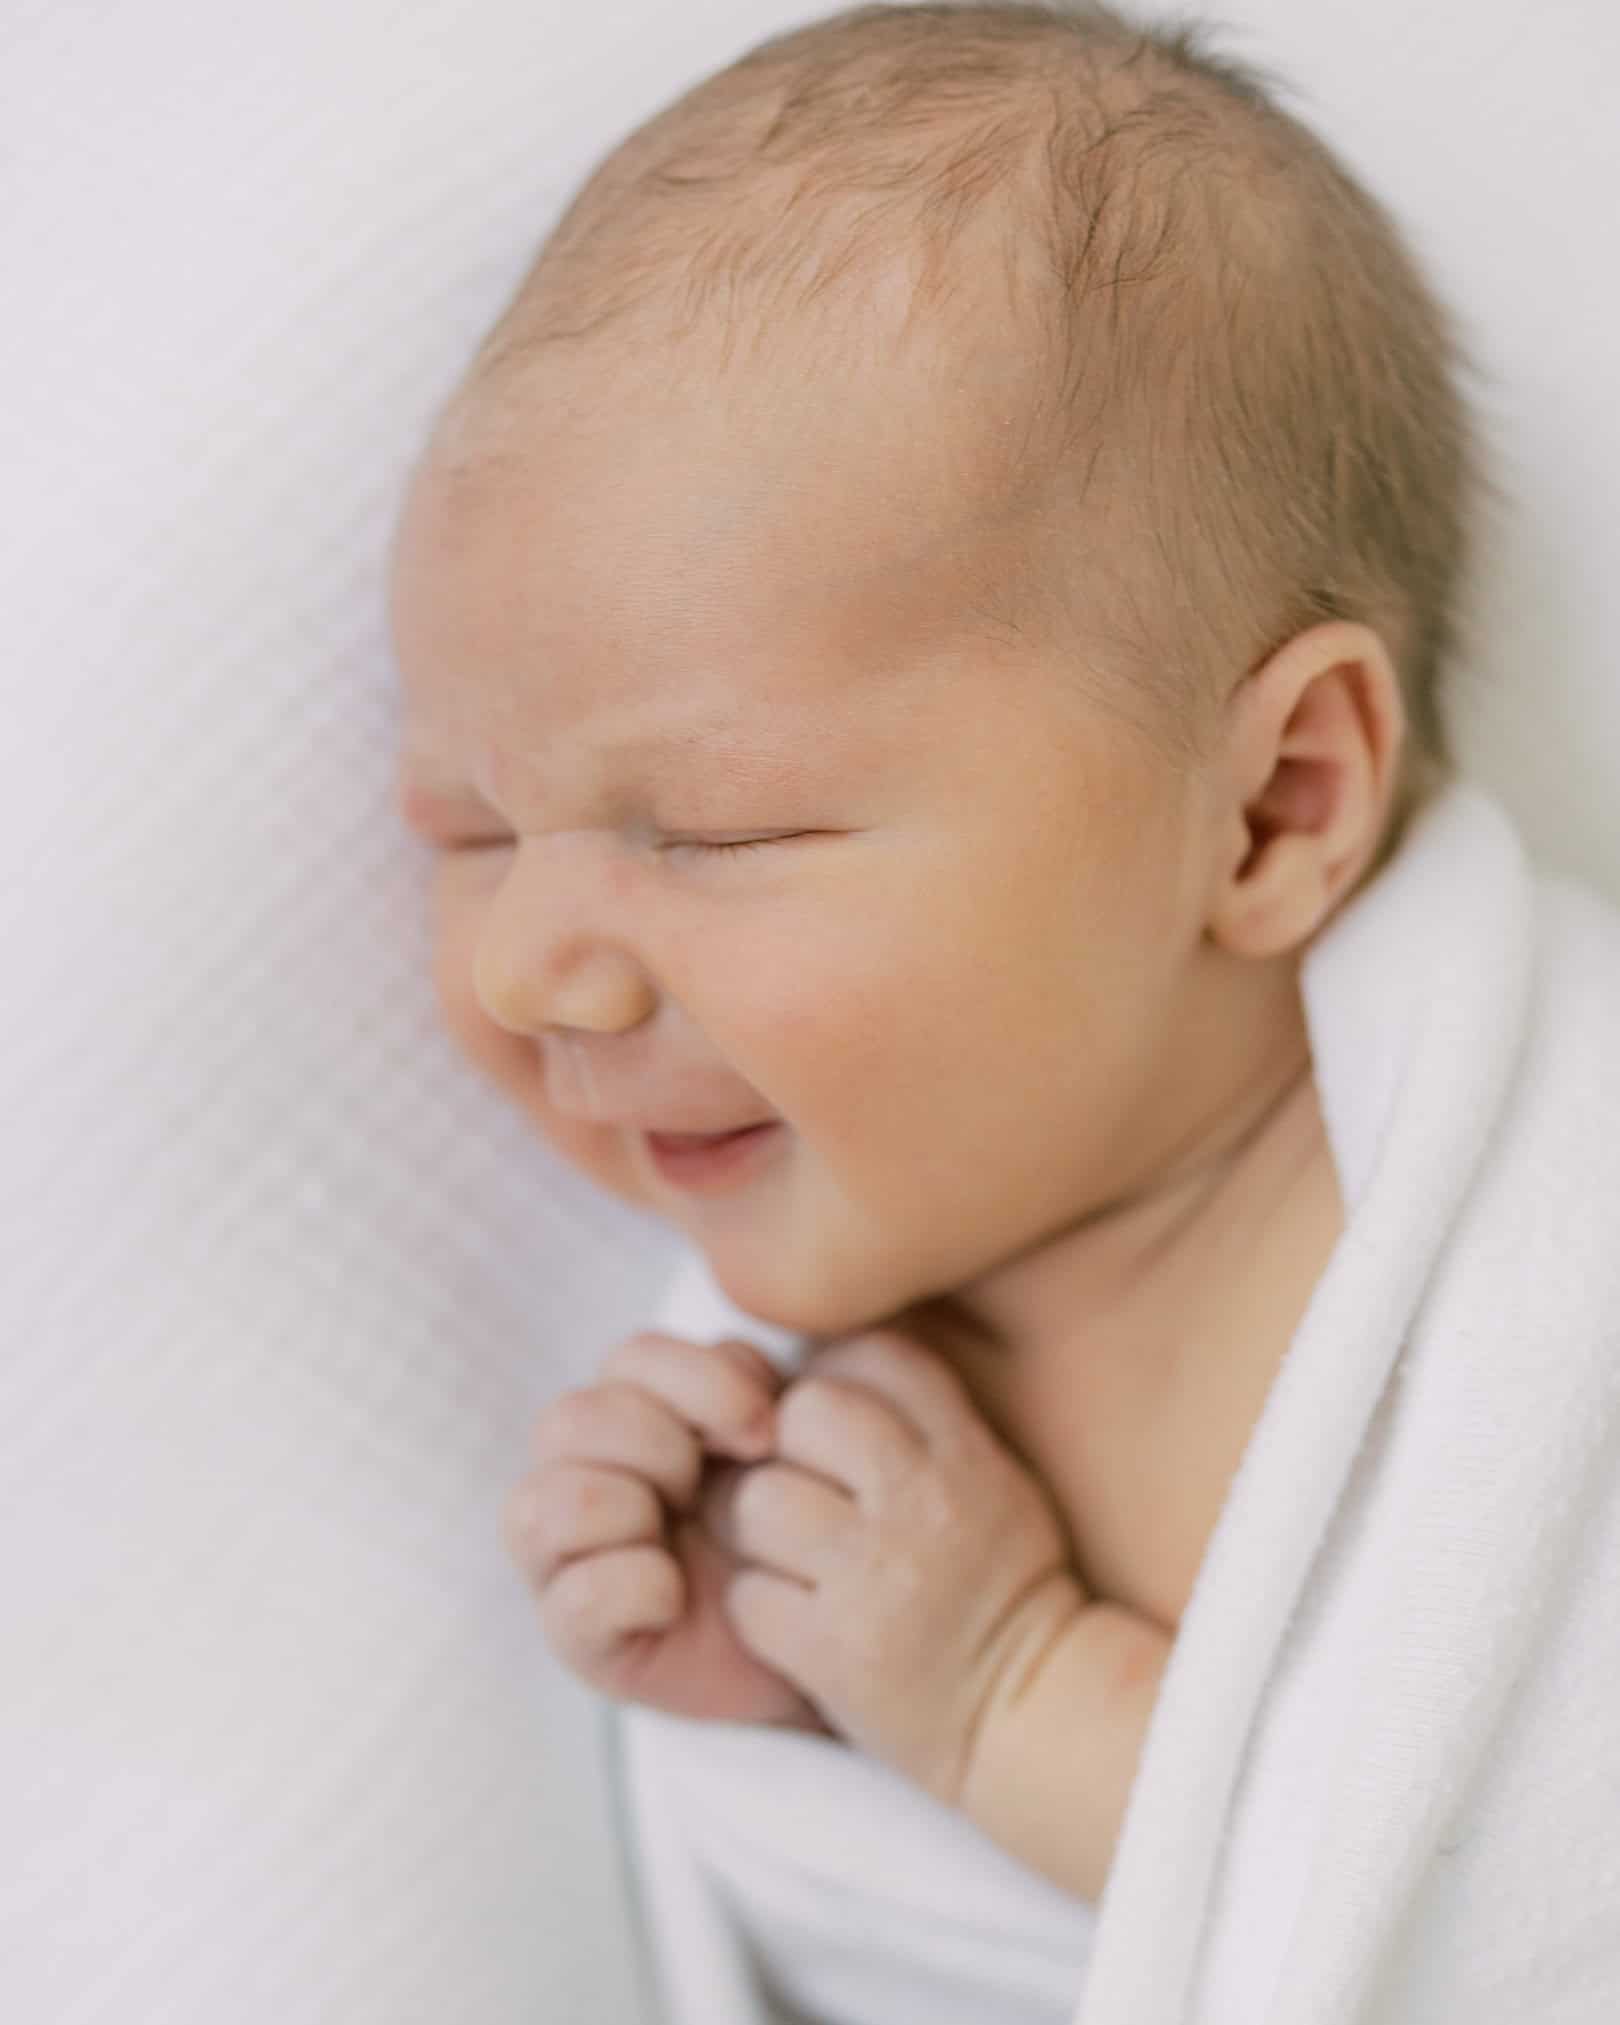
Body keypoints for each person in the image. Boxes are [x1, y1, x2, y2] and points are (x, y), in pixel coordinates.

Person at [387, 5, 1620, 2020]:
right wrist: (786, 1716)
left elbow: (1504, 1906)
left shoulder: (1543, 1250)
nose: (531, 967)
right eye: (466, 825)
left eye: (712, 826)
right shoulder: (802, 1389)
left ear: (1274, 804)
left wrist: (1004, 1693)